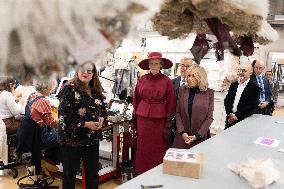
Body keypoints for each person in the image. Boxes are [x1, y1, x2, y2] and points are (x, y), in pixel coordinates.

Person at [57, 61, 107, 189]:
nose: (86, 72)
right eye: (83, 69)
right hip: (71, 140)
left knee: (92, 174)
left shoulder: (96, 90)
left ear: (93, 73)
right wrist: (85, 124)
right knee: (69, 176)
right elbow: (63, 118)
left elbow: (102, 110)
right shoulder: (69, 89)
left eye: (89, 70)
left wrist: (102, 120)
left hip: (91, 139)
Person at [132, 52, 176, 174]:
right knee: (142, 146)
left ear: (161, 65)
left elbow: (171, 103)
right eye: (151, 63)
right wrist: (134, 117)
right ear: (148, 64)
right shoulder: (142, 79)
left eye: (156, 63)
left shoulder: (167, 81)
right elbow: (136, 98)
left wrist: (168, 123)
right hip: (142, 118)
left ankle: (157, 173)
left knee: (158, 146)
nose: (153, 65)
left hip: (159, 119)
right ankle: (140, 172)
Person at [16, 78, 58, 175]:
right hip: (39, 135)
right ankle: (47, 160)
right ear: (48, 87)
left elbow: (35, 110)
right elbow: (51, 122)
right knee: (61, 138)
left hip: (27, 135)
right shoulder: (44, 101)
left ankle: (39, 160)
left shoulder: (32, 96)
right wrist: (60, 119)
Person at [172, 65, 214, 149]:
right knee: (180, 161)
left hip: (200, 136)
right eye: (188, 75)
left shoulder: (209, 93)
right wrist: (182, 132)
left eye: (193, 76)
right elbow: (177, 113)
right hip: (182, 136)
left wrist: (197, 135)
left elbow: (209, 117)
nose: (190, 79)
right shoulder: (182, 90)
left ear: (201, 77)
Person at [224, 63, 260, 129]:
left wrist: (236, 116)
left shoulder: (255, 87)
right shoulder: (234, 84)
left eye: (244, 70)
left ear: (251, 72)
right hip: (230, 119)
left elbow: (251, 106)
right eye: (239, 70)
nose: (241, 72)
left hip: (243, 121)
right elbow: (227, 100)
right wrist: (229, 113)